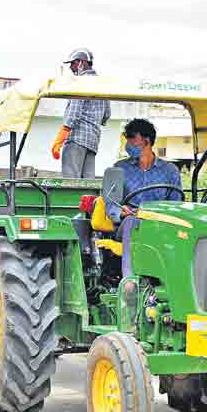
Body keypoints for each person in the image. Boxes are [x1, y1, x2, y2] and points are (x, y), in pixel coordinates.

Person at [106, 118, 183, 277]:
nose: (128, 143)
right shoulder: (119, 168)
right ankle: (129, 279)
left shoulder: (170, 170)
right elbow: (110, 202)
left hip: (160, 223)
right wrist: (120, 212)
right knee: (132, 222)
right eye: (127, 138)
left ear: (146, 141)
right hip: (130, 220)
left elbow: (177, 205)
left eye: (132, 138)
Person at [51, 48, 111, 178]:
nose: (71, 68)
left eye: (72, 63)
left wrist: (61, 138)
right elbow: (106, 116)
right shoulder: (101, 84)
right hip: (93, 140)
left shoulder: (81, 82)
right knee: (87, 183)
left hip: (76, 138)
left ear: (81, 62)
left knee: (71, 181)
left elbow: (74, 112)